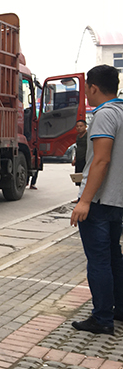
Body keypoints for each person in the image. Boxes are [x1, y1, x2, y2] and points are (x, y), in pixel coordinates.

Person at [70, 64, 123, 335]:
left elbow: (101, 160)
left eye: (86, 90)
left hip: (100, 202)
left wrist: (85, 201)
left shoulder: (104, 114)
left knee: (99, 261)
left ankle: (102, 318)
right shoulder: (122, 112)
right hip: (117, 200)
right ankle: (119, 310)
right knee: (114, 256)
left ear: (92, 87)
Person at [72, 119, 88, 187]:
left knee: (85, 178)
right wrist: (75, 159)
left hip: (86, 160)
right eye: (77, 126)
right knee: (78, 179)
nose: (79, 128)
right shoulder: (78, 137)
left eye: (81, 126)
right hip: (79, 160)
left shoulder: (88, 136)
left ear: (85, 126)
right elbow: (77, 148)